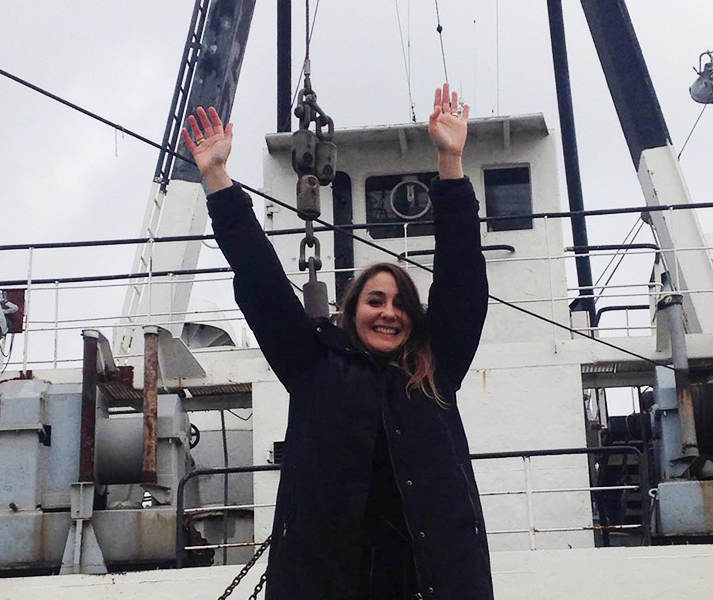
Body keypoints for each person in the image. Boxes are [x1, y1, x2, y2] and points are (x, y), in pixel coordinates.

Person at [182, 83, 493, 600]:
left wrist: (450, 161)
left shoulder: (436, 369)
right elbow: (262, 283)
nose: (389, 312)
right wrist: (217, 177)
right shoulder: (312, 364)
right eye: (375, 300)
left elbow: (463, 279)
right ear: (351, 311)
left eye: (400, 303)